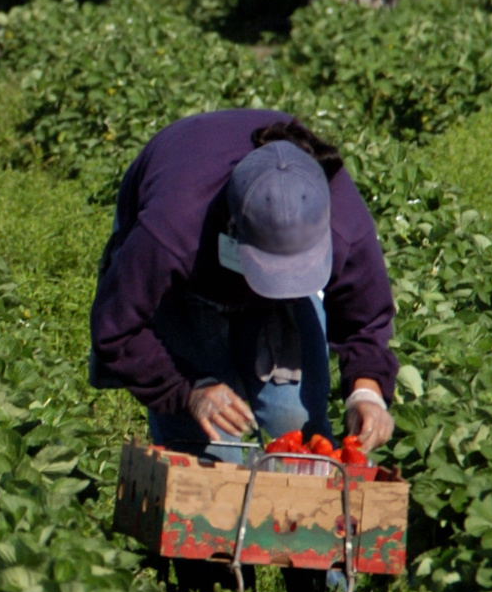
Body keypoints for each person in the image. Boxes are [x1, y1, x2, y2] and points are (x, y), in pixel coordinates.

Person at [90, 110, 398, 460]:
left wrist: (367, 391)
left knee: (295, 425)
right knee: (209, 446)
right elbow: (116, 328)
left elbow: (366, 317)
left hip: (276, 304)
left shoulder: (342, 222)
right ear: (234, 225)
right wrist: (187, 391)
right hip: (187, 284)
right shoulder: (171, 228)